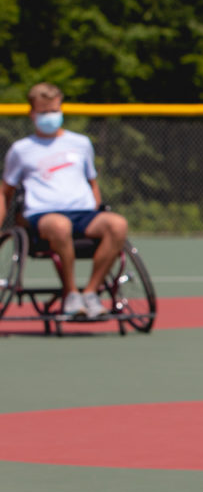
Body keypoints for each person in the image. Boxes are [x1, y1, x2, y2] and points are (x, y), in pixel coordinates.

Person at [2, 83, 131, 320]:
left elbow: (92, 183)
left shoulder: (80, 143)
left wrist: (95, 207)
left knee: (117, 224)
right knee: (60, 225)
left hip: (83, 213)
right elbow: (5, 191)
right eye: (43, 112)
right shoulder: (21, 150)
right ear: (32, 114)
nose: (50, 116)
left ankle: (90, 293)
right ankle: (70, 293)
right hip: (44, 215)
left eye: (54, 110)